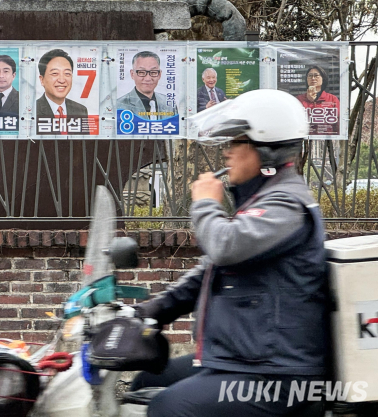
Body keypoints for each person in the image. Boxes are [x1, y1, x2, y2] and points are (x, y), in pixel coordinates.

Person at [132, 89, 330, 417]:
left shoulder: (286, 205)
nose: (227, 152)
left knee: (168, 408)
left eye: (236, 142)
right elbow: (209, 272)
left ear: (264, 150)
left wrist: (207, 203)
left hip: (276, 373)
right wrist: (149, 312)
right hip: (244, 360)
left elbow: (223, 247)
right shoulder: (260, 200)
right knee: (145, 381)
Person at [36, 49, 89, 135]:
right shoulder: (32, 110)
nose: (62, 80)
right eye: (55, 73)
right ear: (42, 80)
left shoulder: (81, 110)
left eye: (67, 74)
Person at [117, 51, 177, 120]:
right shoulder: (119, 105)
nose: (148, 78)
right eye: (142, 72)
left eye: (153, 72)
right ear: (132, 74)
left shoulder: (169, 103)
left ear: (159, 74)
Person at [295, 65, 340, 135]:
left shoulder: (332, 99)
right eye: (310, 76)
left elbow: (338, 123)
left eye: (316, 75)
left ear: (323, 78)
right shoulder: (299, 99)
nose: (313, 78)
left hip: (327, 140)